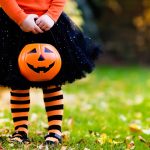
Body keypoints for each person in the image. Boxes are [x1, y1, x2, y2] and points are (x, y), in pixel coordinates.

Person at [0, 0, 102, 146]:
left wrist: (51, 16)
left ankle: (55, 130)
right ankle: (20, 131)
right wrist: (21, 18)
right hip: (14, 25)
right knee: (18, 83)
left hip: (49, 24)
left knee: (52, 82)